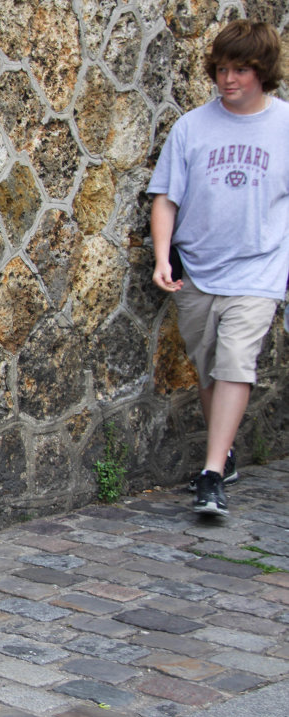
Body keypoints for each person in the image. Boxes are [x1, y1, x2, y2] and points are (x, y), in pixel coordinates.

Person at [149, 19, 289, 516]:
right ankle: (222, 455)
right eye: (222, 69)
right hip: (199, 271)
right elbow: (166, 198)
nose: (229, 80)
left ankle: (211, 475)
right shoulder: (192, 127)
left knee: (234, 362)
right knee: (209, 368)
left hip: (259, 271)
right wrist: (163, 257)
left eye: (242, 70)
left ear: (264, 72)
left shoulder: (285, 127)